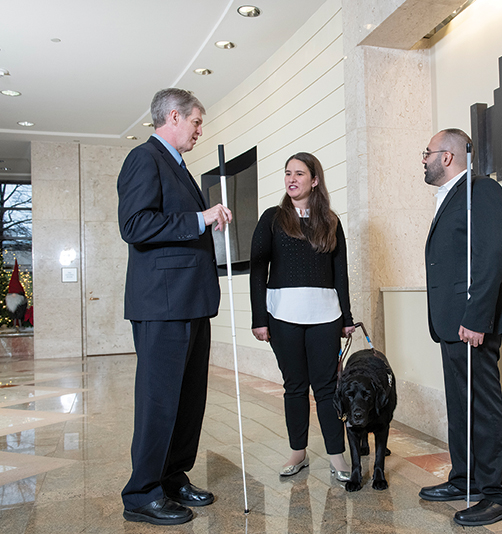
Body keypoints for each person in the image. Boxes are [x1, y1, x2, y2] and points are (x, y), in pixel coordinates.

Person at [117, 88, 232, 525]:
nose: (200, 130)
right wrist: (199, 219)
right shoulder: (144, 159)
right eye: (197, 122)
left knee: (188, 399)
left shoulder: (180, 168)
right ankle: (141, 493)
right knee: (159, 400)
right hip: (162, 304)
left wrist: (207, 222)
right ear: (172, 116)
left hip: (190, 301)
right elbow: (135, 224)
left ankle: (172, 477)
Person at [417, 129, 502, 527]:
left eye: (427, 153)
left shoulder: (484, 191)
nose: (423, 159)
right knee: (462, 407)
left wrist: (477, 317)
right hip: (452, 323)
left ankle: (499, 494)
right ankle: (467, 479)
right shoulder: (454, 197)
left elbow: (490, 254)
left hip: (471, 322)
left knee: (482, 407)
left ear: (447, 157)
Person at [250, 152, 355, 482]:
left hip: (325, 315)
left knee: (326, 388)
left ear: (314, 180)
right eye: (287, 173)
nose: (291, 179)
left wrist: (346, 317)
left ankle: (337, 456)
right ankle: (298, 452)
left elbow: (341, 274)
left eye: (299, 173)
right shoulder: (271, 219)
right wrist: (259, 318)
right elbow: (257, 271)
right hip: (283, 315)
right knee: (295, 386)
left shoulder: (331, 221)